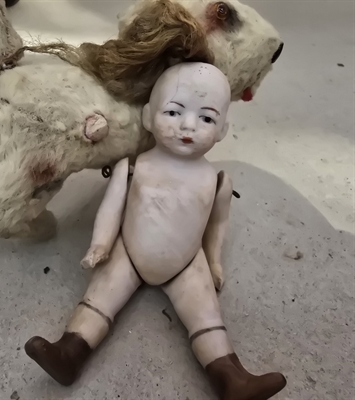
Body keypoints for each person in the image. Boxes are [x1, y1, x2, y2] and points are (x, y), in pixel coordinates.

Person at [25, 62, 287, 400]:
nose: (188, 126)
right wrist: (101, 244)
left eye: (207, 118)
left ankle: (231, 380)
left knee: (206, 317)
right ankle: (69, 354)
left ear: (223, 129)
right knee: (98, 300)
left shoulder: (216, 180)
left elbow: (217, 223)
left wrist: (213, 262)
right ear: (148, 116)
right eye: (174, 112)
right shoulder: (134, 166)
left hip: (186, 262)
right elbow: (111, 208)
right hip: (128, 253)